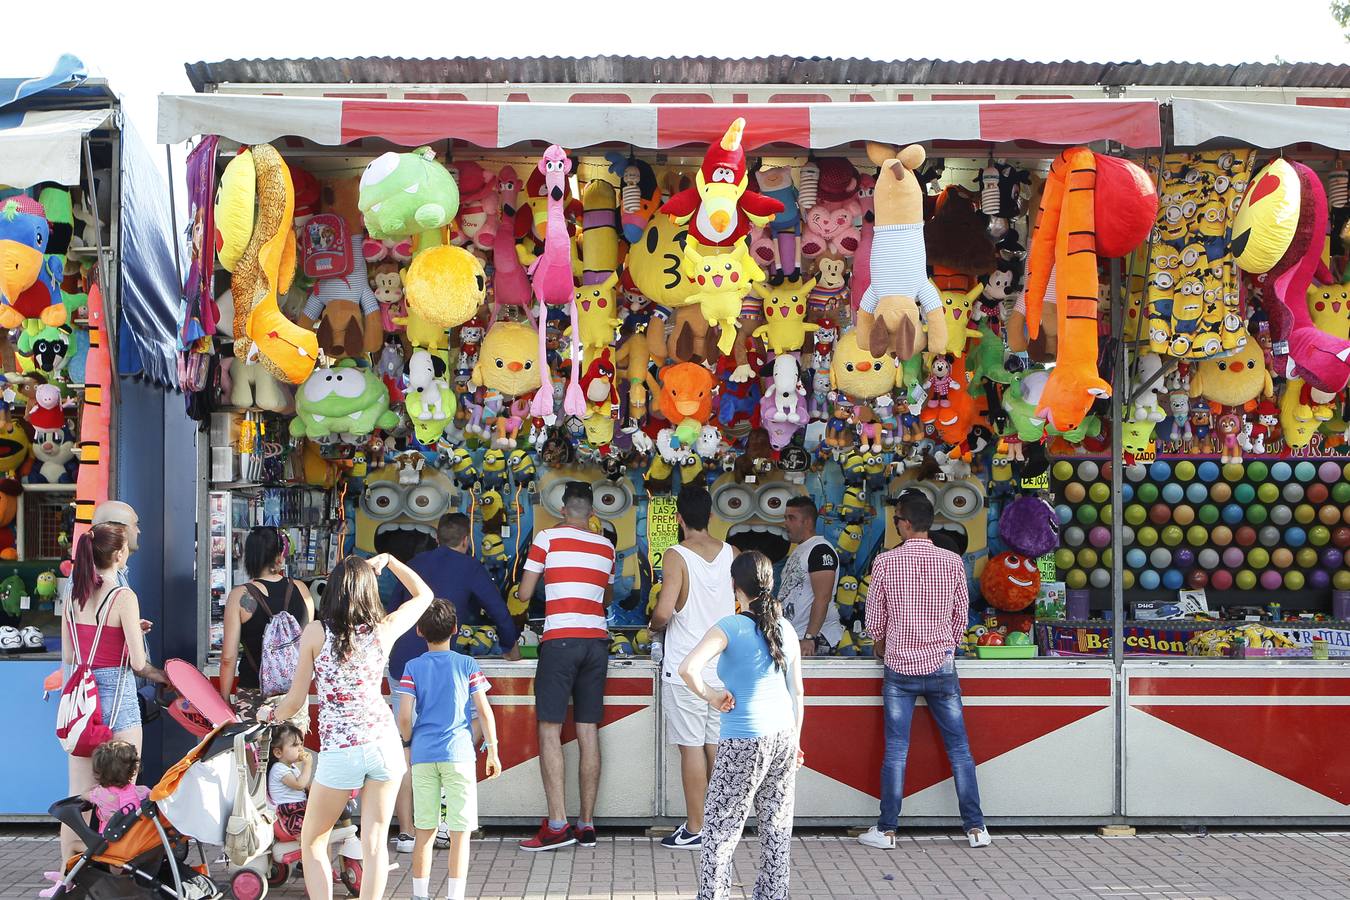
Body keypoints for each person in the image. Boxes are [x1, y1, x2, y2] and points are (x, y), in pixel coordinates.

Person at [262, 553, 433, 900]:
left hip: (342, 750)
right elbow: (425, 595)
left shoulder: (316, 632)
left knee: (312, 839)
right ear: (370, 591)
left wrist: (270, 715)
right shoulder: (384, 629)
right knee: (374, 843)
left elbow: (295, 701)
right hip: (384, 744)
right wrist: (392, 562)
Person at [859, 491, 991, 850]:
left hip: (899, 669)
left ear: (904, 522)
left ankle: (887, 831)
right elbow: (961, 618)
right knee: (960, 749)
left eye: (897, 519)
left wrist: (884, 642)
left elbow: (873, 622)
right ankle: (976, 828)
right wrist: (943, 645)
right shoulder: (952, 562)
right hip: (941, 666)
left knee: (896, 750)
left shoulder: (886, 563)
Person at [387, 513, 518, 850]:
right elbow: (498, 610)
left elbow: (390, 608)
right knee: (458, 734)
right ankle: (443, 823)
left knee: (405, 747)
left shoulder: (415, 563)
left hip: (402, 662)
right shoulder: (471, 566)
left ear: (436, 535)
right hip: (442, 664)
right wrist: (510, 647)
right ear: (466, 539)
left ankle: (406, 831)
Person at [679, 551, 805, 900]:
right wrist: (796, 741)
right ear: (771, 583)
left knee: (720, 831)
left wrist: (713, 696)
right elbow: (797, 692)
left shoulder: (730, 626)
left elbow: (688, 669)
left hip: (742, 740)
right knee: (777, 830)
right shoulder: (787, 629)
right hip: (782, 737)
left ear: (735, 585)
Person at [515, 481, 616, 851]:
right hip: (596, 642)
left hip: (560, 641)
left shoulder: (547, 539)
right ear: (591, 512)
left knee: (550, 729)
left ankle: (557, 825)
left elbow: (525, 593)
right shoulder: (606, 546)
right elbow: (605, 595)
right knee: (588, 729)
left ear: (563, 511)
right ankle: (586, 825)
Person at [59, 523, 167, 861]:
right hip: (118, 700)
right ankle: (117, 869)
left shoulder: (71, 594)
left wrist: (124, 632)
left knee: (79, 795)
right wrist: (167, 677)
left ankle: (69, 872)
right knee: (123, 790)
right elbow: (139, 663)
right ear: (119, 555)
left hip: (82, 703)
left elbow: (69, 655)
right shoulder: (123, 596)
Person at [647, 486, 735, 851]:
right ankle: (723, 824)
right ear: (711, 516)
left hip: (686, 668)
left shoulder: (676, 555)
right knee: (716, 744)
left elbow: (665, 611)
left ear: (679, 519)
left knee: (691, 748)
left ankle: (697, 827)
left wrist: (652, 625)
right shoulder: (732, 553)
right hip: (723, 665)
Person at [396, 599, 502, 900]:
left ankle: (420, 894)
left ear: (419, 631)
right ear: (455, 629)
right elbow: (484, 711)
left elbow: (404, 716)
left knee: (425, 831)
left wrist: (408, 740)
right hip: (459, 755)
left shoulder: (412, 667)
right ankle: (455, 896)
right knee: (459, 833)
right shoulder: (467, 665)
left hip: (424, 754)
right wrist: (492, 749)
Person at [219, 527, 315, 715]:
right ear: (279, 556)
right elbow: (307, 645)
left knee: (252, 746)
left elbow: (228, 659)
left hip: (253, 694)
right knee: (291, 745)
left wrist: (223, 699)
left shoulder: (240, 596)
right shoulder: (302, 590)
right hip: (294, 696)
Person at [779, 496, 842, 656]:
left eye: (791, 518)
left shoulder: (820, 550)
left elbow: (823, 597)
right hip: (795, 637)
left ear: (807, 522)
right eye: (785, 518)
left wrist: (809, 637)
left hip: (813, 640)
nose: (786, 523)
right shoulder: (800, 550)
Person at [85, 740, 150, 834]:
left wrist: (91, 789)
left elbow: (83, 796)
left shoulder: (100, 793)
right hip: (135, 841)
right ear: (133, 769)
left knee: (73, 845)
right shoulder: (142, 791)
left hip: (109, 844)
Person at [267, 723, 313, 837]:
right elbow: (299, 785)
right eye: (295, 745)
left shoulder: (291, 767)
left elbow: (303, 787)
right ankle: (306, 842)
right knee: (314, 829)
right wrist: (308, 766)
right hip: (289, 812)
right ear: (278, 752)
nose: (301, 748)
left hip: (298, 806)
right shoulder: (279, 769)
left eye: (301, 744)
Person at [91, 501, 140, 588]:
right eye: (135, 525)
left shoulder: (117, 571)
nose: (138, 531)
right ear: (117, 530)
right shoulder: (103, 577)